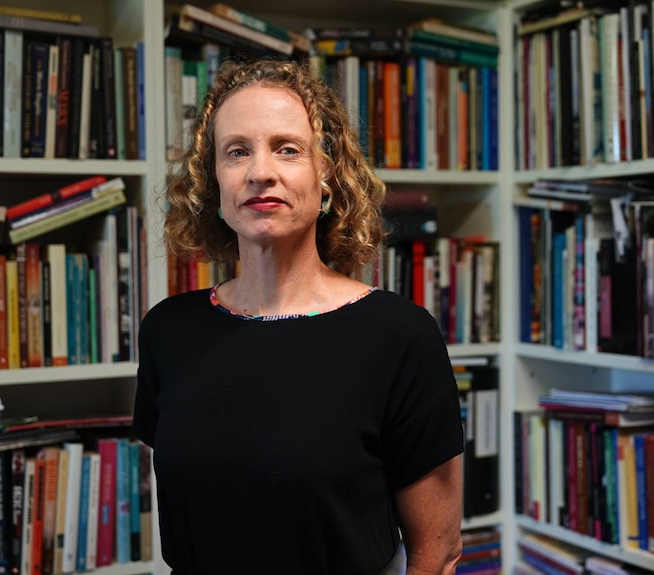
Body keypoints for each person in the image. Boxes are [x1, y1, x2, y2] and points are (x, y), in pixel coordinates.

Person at [132, 58, 465, 574]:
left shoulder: (398, 335)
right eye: (236, 152)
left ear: (327, 176)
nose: (260, 172)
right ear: (213, 181)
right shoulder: (167, 331)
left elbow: (437, 552)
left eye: (288, 149)